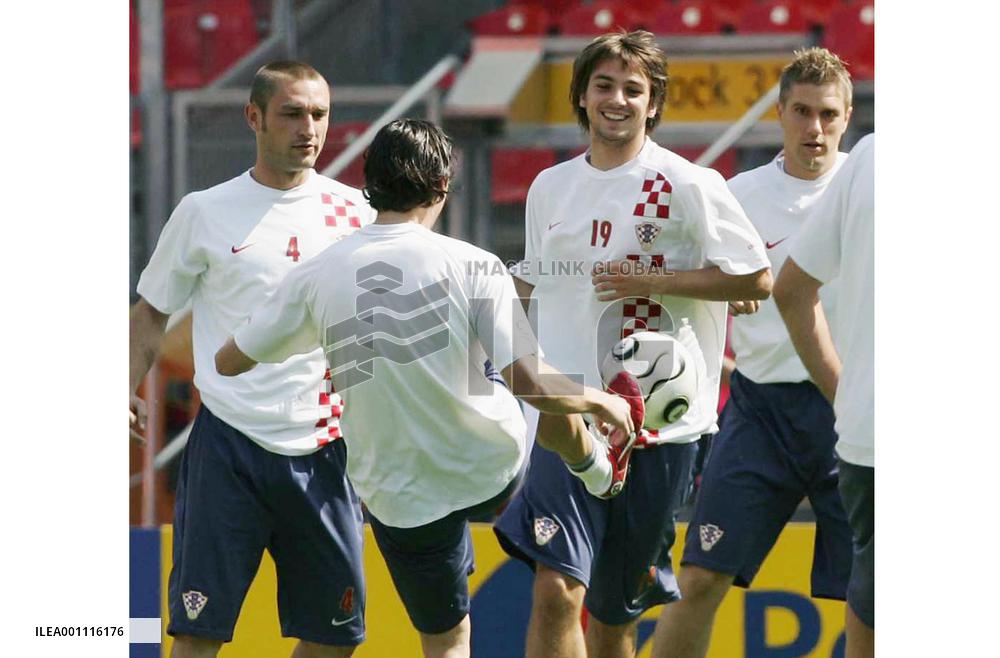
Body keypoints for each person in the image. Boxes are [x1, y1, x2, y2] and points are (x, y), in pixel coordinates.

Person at [213, 118, 642, 658]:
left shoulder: (315, 274)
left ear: (370, 185)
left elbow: (229, 361)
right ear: (442, 186)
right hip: (491, 467)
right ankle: (599, 472)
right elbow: (532, 385)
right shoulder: (474, 264)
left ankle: (591, 467)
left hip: (399, 495)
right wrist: (601, 398)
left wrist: (309, 328)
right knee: (545, 377)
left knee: (447, 639)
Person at [491, 30, 773, 658]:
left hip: (659, 430)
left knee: (615, 616)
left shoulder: (686, 183)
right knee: (555, 590)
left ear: (653, 103)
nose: (617, 99)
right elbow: (531, 283)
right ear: (582, 97)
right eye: (604, 86)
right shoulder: (549, 187)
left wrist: (657, 280)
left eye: (633, 89)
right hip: (571, 415)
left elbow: (755, 277)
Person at [129, 61, 374, 658]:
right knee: (194, 635)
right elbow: (149, 315)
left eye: (319, 114)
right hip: (228, 448)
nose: (308, 129)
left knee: (335, 638)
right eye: (292, 113)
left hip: (326, 447)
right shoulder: (203, 211)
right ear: (255, 117)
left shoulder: (358, 213)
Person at [650, 48, 856, 658]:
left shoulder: (869, 193)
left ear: (847, 119)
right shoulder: (735, 194)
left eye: (827, 114)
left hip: (850, 408)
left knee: (871, 596)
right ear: (779, 114)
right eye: (801, 112)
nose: (814, 129)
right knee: (699, 579)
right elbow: (693, 284)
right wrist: (725, 295)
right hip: (761, 412)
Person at [775, 133, 874, 658]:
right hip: (861, 429)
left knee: (872, 604)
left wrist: (846, 393)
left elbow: (789, 290)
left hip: (867, 433)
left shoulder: (868, 158)